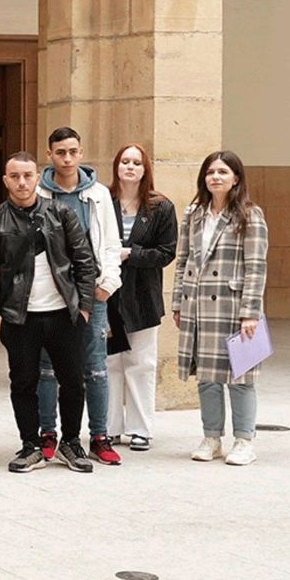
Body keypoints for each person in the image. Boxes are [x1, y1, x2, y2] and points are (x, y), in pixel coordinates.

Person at [0, 152, 98, 474]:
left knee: (72, 382)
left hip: (63, 314)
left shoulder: (62, 213)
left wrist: (83, 307)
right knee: (23, 383)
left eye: (27, 175)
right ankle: (30, 445)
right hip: (19, 317)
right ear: (5, 181)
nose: (22, 182)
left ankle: (71, 442)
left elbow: (85, 263)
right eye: (14, 176)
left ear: (37, 177)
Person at [37, 127, 124, 465]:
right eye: (61, 152)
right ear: (50, 154)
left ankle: (99, 437)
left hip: (92, 293)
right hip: (51, 294)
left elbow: (111, 243)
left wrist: (107, 285)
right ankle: (48, 434)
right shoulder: (41, 192)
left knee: (96, 368)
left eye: (73, 151)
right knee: (47, 367)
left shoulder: (99, 194)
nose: (68, 158)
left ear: (81, 151)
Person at [174, 151, 268, 466]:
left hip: (234, 307)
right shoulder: (194, 214)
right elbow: (182, 260)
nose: (215, 177)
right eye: (210, 172)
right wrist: (178, 302)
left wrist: (250, 312)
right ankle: (211, 437)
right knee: (207, 377)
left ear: (236, 178)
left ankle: (244, 440)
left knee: (241, 376)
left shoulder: (250, 215)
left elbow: (256, 267)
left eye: (223, 172)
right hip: (199, 305)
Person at [106, 143, 176, 451]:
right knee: (108, 364)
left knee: (141, 362)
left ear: (145, 169)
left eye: (136, 162)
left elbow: (166, 253)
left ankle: (140, 429)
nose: (130, 167)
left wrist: (130, 254)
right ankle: (107, 428)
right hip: (107, 295)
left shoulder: (161, 207)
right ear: (117, 167)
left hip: (143, 296)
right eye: (125, 162)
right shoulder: (103, 201)